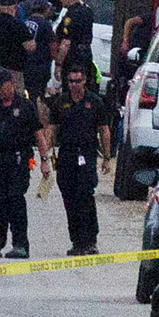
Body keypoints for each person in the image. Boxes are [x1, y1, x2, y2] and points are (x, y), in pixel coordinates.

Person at [0, 68, 51, 259]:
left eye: (0, 85)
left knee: (15, 200)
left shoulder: (26, 106)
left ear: (10, 84)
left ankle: (20, 244)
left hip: (20, 159)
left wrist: (44, 161)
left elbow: (39, 135)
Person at [49, 66, 111, 255]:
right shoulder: (61, 102)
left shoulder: (95, 102)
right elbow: (52, 128)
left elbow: (104, 130)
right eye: (71, 81)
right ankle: (76, 241)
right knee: (69, 198)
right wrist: (49, 153)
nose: (74, 85)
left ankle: (90, 240)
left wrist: (107, 157)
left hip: (87, 154)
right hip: (66, 155)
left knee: (85, 197)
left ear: (84, 81)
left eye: (78, 81)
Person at [55, 0, 95, 82]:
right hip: (86, 57)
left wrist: (58, 64)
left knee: (70, 88)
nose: (61, 0)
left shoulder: (71, 15)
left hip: (72, 59)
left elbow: (66, 42)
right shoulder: (88, 11)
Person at [23, 0, 56, 103]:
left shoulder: (25, 21)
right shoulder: (46, 25)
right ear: (45, 9)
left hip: (25, 65)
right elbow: (53, 45)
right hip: (40, 68)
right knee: (37, 97)